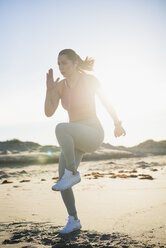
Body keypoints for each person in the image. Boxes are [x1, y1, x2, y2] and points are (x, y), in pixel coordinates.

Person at [44, 49, 126, 234]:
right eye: (58, 64)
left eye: (64, 63)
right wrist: (48, 91)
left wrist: (117, 123)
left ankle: (72, 172)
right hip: (73, 137)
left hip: (92, 132)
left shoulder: (89, 80)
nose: (61, 67)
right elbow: (49, 112)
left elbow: (106, 101)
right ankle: (73, 220)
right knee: (62, 183)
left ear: (74, 63)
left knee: (61, 128)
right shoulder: (60, 86)